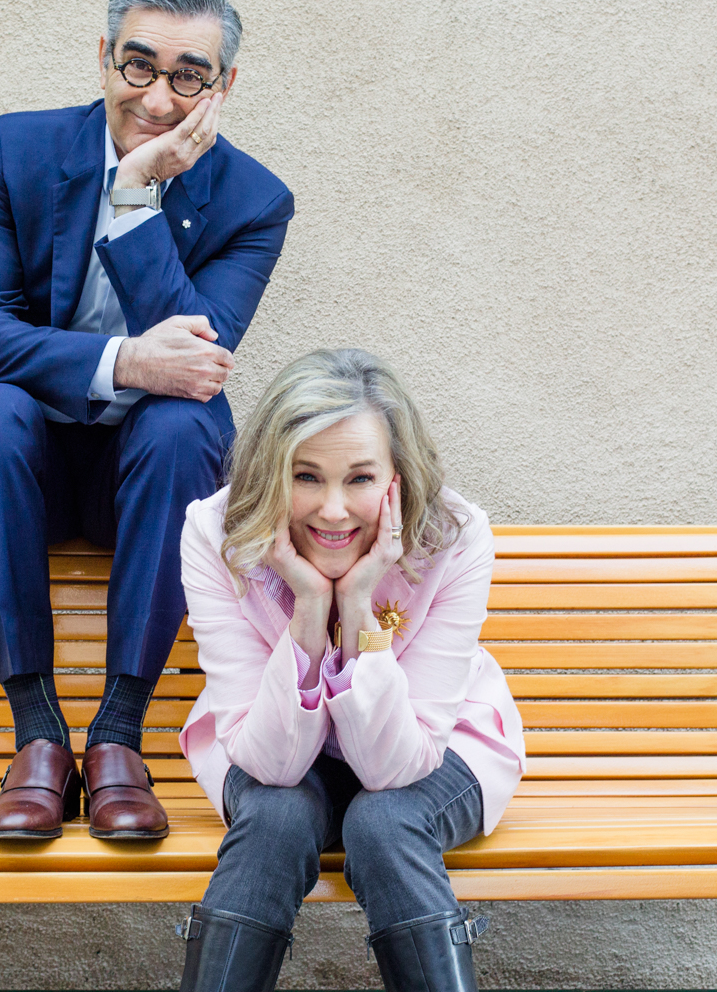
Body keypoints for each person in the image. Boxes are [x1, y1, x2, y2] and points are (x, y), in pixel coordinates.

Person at [0, 0, 294, 841]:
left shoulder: (255, 201)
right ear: (103, 57)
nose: (157, 97)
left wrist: (135, 196)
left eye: (188, 75)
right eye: (138, 66)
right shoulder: (14, 149)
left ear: (223, 85)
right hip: (14, 471)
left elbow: (194, 362)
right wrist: (122, 360)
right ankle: (37, 735)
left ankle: (118, 737)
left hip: (148, 481)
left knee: (186, 420)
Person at [175, 349, 526, 992]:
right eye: (306, 477)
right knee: (276, 816)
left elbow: (396, 767)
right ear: (269, 469)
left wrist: (359, 603)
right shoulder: (216, 534)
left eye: (360, 479)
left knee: (384, 820)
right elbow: (272, 765)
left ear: (397, 475)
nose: (333, 511)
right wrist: (310, 606)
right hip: (264, 738)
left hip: (437, 741)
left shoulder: (453, 536)